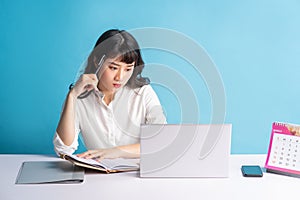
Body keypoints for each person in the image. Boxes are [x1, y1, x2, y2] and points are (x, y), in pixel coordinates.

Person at [53, 29, 166, 161]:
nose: (120, 77)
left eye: (128, 69)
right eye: (113, 68)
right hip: (99, 176)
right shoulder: (80, 98)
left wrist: (116, 152)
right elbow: (63, 149)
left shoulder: (143, 93)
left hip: (136, 175)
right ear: (97, 61)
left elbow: (160, 142)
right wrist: (72, 96)